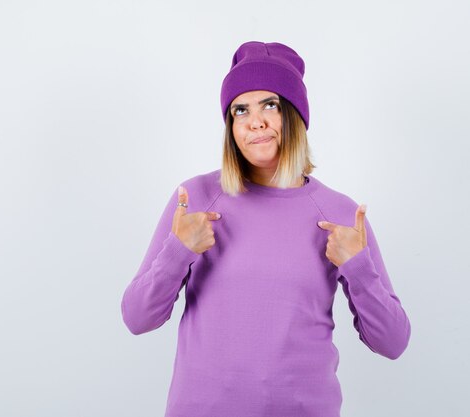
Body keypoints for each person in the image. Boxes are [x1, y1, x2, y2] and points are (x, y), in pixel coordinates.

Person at [120, 41, 411, 417]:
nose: (255, 121)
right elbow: (137, 319)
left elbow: (392, 342)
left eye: (270, 105)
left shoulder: (340, 214)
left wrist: (358, 268)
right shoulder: (195, 198)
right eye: (241, 110)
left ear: (295, 115)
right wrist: (178, 252)